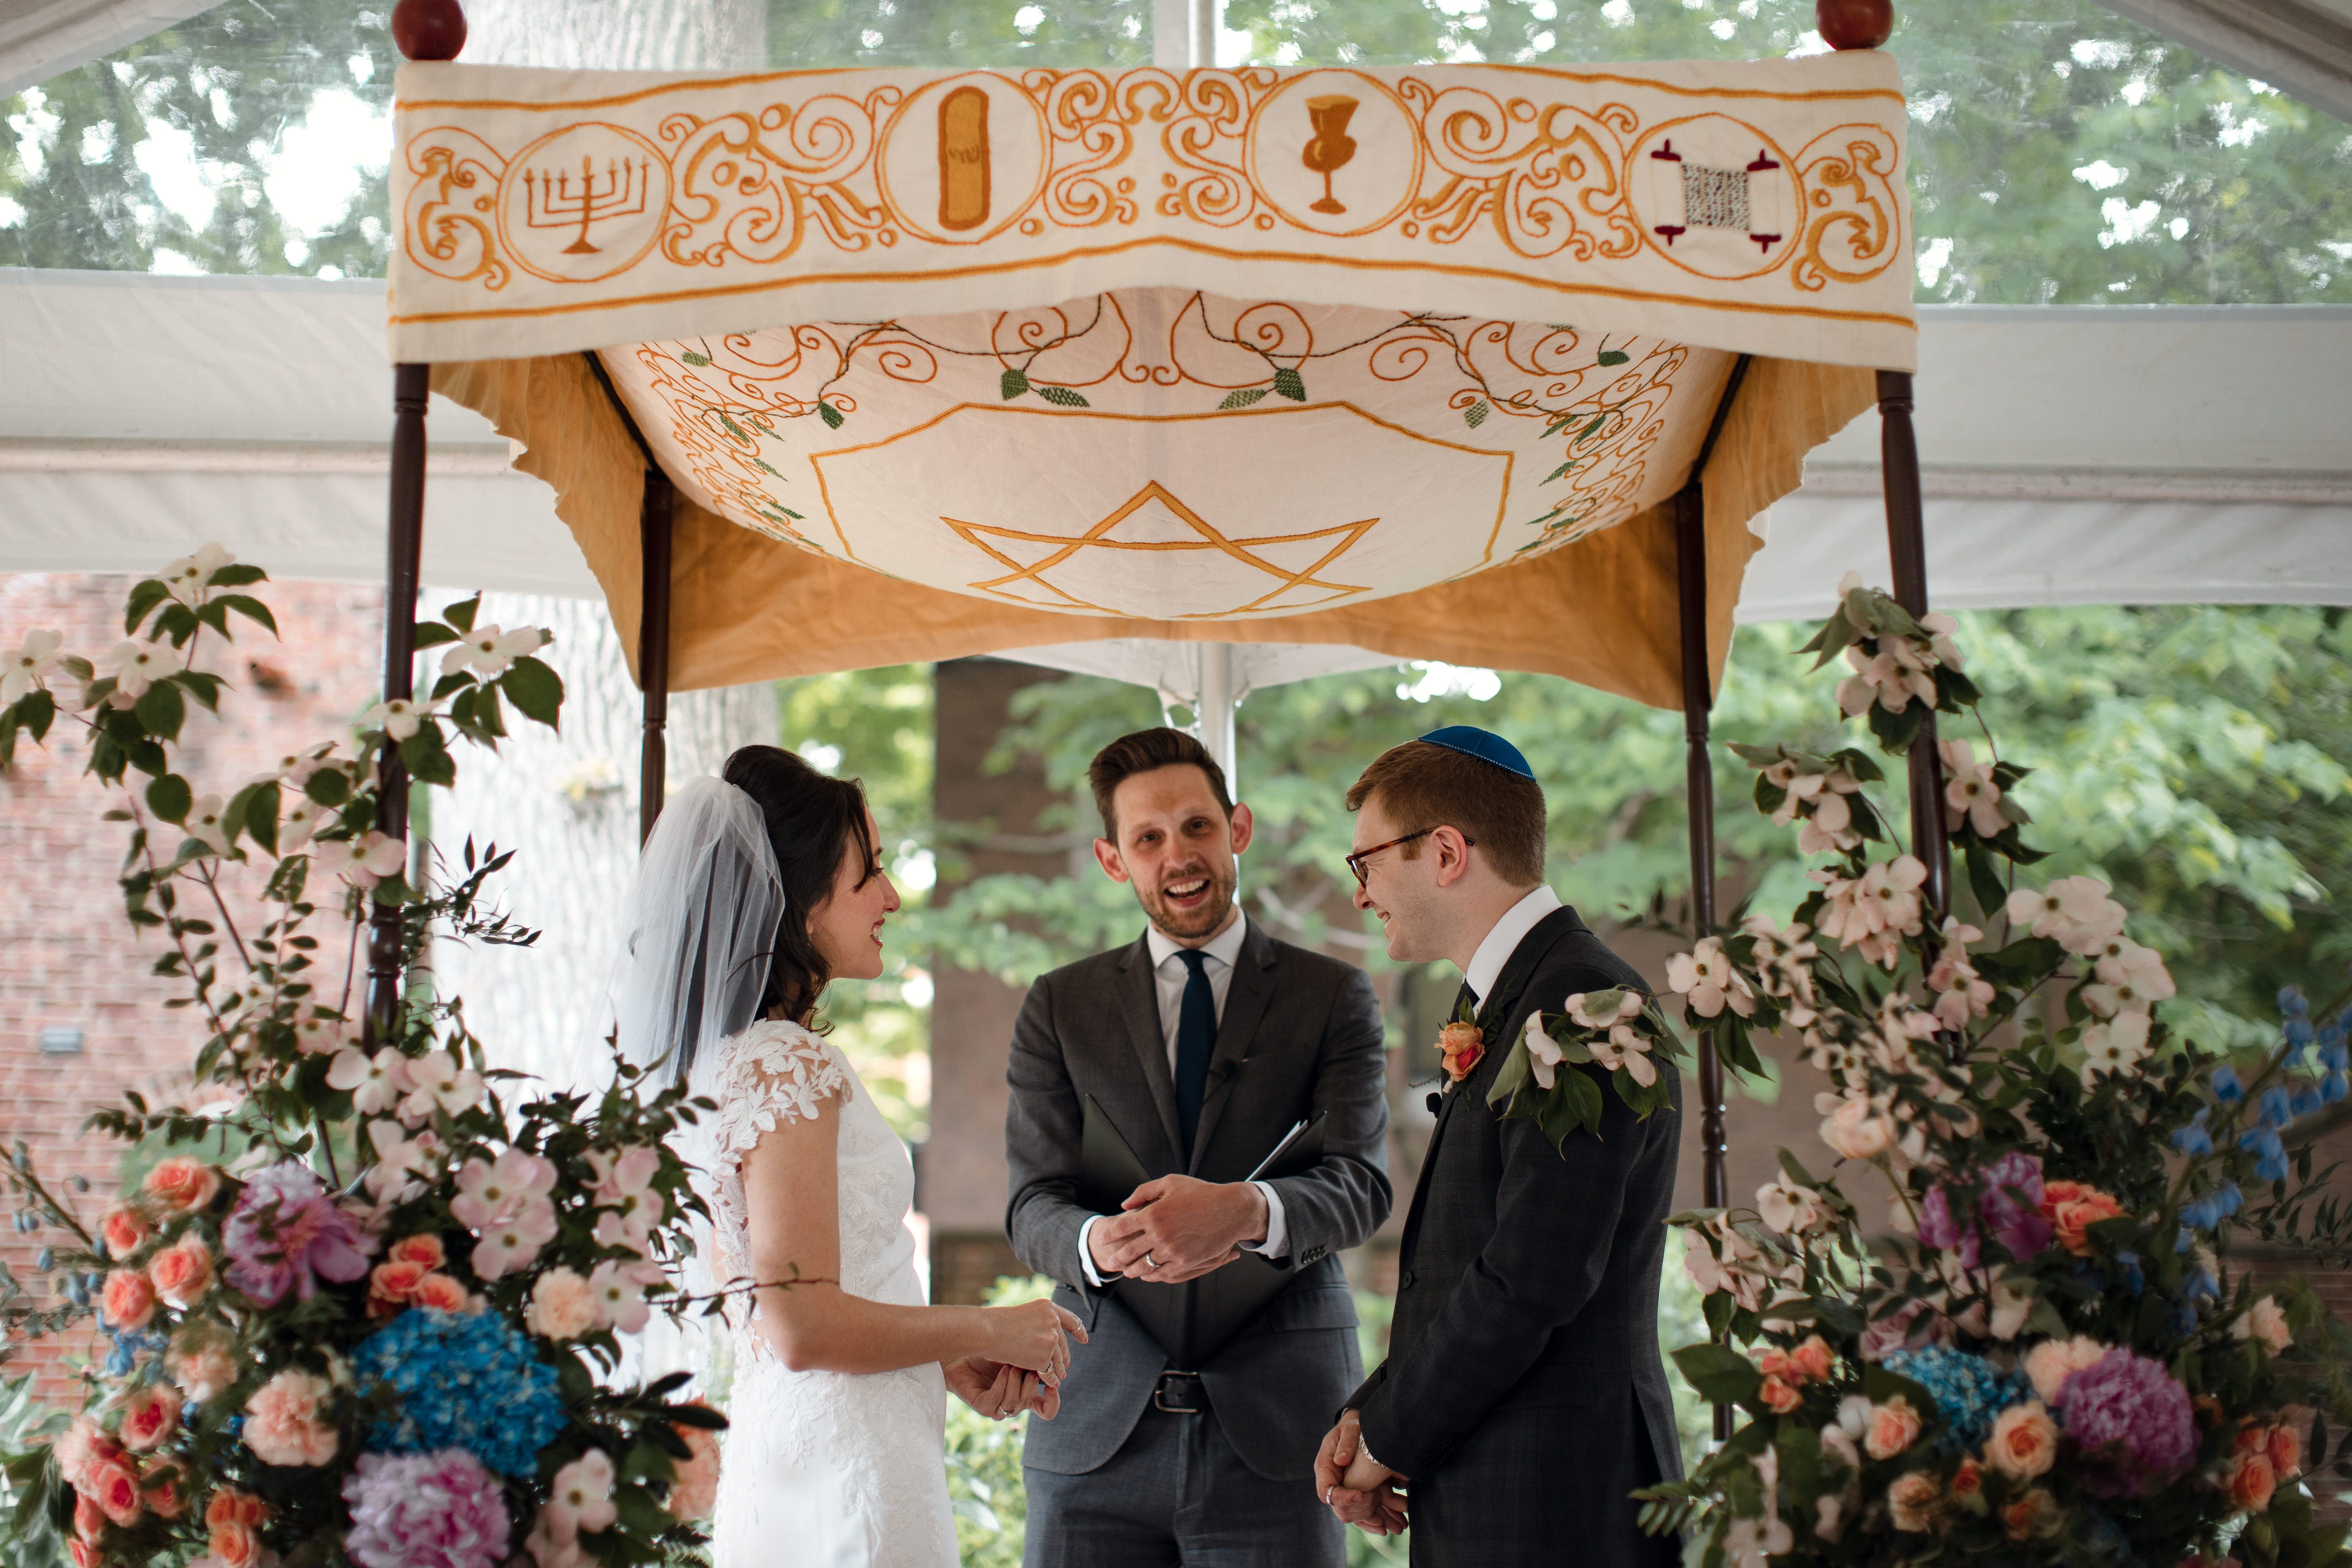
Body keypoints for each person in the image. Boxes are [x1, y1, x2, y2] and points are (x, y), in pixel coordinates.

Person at [614, 745, 1084, 1568]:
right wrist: (992, 1322)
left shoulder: (730, 1063)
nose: (893, 896)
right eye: (870, 874)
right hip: (846, 1472)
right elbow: (799, 1323)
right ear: (798, 898)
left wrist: (945, 1354)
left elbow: (773, 1309)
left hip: (806, 1458)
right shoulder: (784, 1063)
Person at [1004, 727, 1393, 1568]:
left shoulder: (1333, 995)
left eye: (1197, 827)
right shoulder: (1057, 1005)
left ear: (1238, 828)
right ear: (1114, 861)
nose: (1179, 855)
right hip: (1092, 1433)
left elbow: (1363, 1183)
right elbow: (1030, 1203)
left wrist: (1247, 1211)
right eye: (1148, 838)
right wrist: (1092, 1244)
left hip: (1280, 1434)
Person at [1315, 727, 1684, 1568]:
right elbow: (1469, 1262)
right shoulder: (1520, 997)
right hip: (1503, 1480)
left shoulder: (1582, 1006)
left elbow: (1533, 1275)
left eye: (1364, 862)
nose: (1360, 894)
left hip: (1559, 1498)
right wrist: (1368, 1415)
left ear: (1444, 851)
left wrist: (1388, 1440)